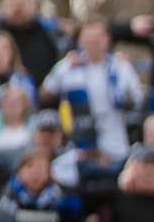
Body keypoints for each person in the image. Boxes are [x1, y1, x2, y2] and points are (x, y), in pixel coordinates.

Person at [40, 21, 143, 165]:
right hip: (78, 144)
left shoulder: (120, 67)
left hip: (115, 142)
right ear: (80, 40)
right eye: (88, 38)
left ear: (107, 40)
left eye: (97, 38)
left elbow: (139, 98)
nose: (92, 43)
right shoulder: (68, 66)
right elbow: (44, 94)